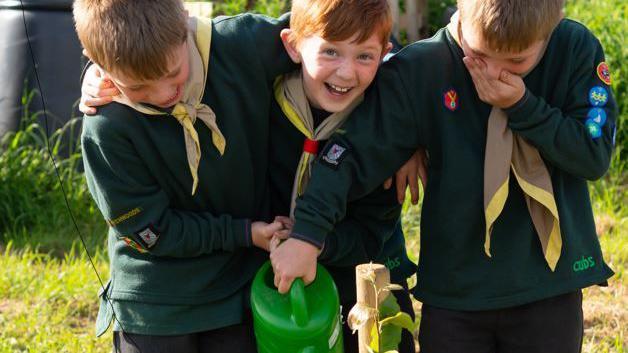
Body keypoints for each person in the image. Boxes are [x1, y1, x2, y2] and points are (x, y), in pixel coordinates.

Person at [270, 0, 617, 352]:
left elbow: (594, 153)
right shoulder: (421, 69)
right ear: (461, 13)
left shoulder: (575, 48)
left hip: (547, 287)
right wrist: (307, 235)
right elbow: (349, 155)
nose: (496, 73)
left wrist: (523, 106)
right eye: (481, 55)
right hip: (456, 291)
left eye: (517, 61)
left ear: (552, 27)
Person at [73, 0, 296, 351]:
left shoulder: (241, 43)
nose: (163, 95)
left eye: (174, 73)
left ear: (186, 25)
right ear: (97, 62)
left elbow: (332, 39)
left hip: (240, 284)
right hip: (154, 299)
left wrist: (403, 131)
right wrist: (243, 232)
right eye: (139, 88)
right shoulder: (106, 125)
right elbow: (151, 232)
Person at [268, 0, 420, 351]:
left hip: (368, 279)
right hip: (278, 290)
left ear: (384, 53)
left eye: (364, 57)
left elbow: (371, 233)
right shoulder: (264, 97)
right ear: (293, 45)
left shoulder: (386, 123)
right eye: (331, 52)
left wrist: (314, 243)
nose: (346, 73)